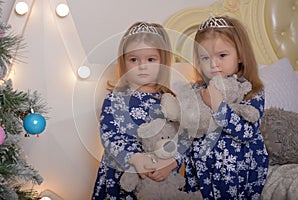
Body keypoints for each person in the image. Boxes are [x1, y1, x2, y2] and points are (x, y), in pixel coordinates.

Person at [91, 22, 185, 199]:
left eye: (151, 59)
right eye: (134, 59)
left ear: (163, 62)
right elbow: (109, 137)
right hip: (122, 178)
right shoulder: (115, 100)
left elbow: (184, 140)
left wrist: (172, 162)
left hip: (160, 180)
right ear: (124, 62)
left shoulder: (170, 102)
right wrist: (134, 158)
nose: (142, 66)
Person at [183, 15, 269, 199]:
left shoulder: (252, 91)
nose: (213, 64)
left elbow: (246, 132)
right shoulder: (198, 90)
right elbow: (186, 128)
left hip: (239, 173)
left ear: (240, 55)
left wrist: (218, 106)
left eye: (222, 55)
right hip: (202, 171)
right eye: (205, 57)